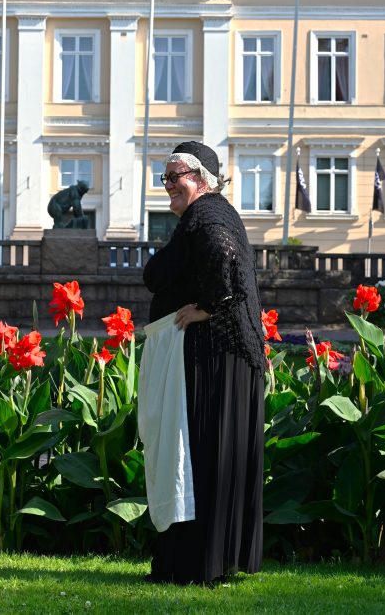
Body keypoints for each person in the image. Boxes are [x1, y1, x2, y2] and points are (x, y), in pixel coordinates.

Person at [138, 141, 265, 585]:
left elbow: (223, 255)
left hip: (216, 357)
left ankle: (196, 565)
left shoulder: (208, 213)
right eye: (165, 177)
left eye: (175, 176)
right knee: (203, 455)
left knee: (199, 454)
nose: (168, 185)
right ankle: (201, 562)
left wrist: (212, 305)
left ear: (203, 179)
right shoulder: (206, 215)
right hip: (219, 357)